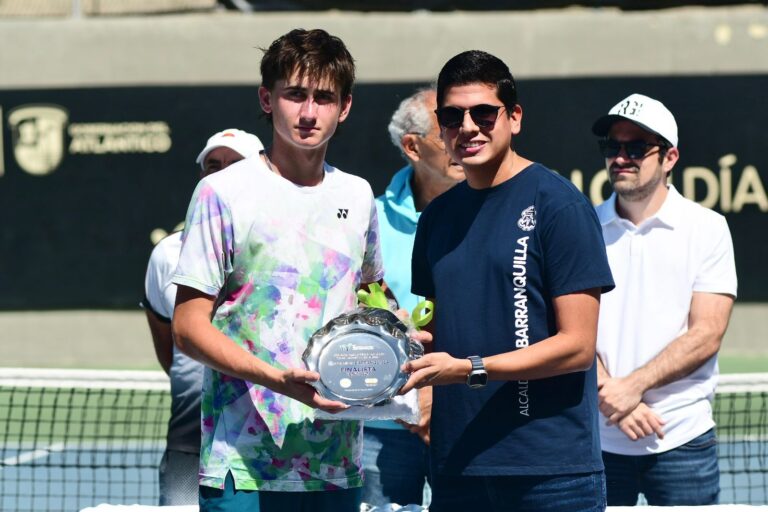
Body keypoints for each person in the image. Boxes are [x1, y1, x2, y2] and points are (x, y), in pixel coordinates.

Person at [171, 29, 384, 512]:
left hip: (336, 465)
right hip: (241, 468)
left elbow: (372, 296)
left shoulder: (358, 195)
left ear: (344, 107)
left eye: (324, 98)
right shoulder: (222, 192)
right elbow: (186, 329)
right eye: (295, 94)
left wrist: (398, 335)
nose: (308, 112)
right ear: (268, 99)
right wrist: (275, 379)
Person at [400, 50, 615, 512]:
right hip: (458, 469)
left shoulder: (560, 205)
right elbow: (438, 328)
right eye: (453, 116)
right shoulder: (436, 219)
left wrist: (472, 368)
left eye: (484, 112)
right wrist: (398, 335)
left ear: (513, 118)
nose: (469, 127)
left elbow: (578, 346)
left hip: (551, 476)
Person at [591, 93, 737, 506]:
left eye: (636, 148)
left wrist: (631, 388)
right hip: (597, 442)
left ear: (669, 157)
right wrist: (612, 397)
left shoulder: (708, 228)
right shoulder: (583, 225)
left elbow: (707, 333)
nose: (621, 158)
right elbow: (566, 325)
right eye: (612, 147)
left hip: (683, 441)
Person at [142, 128, 263, 505]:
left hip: (266, 443)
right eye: (214, 165)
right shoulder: (166, 255)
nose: (222, 174)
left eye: (235, 165)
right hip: (188, 441)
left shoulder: (283, 248)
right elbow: (171, 344)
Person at [362, 88, 464, 510]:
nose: (463, 138)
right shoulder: (370, 219)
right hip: (384, 427)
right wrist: (407, 399)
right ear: (412, 146)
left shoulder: (498, 214)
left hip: (466, 421)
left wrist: (438, 397)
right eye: (448, 130)